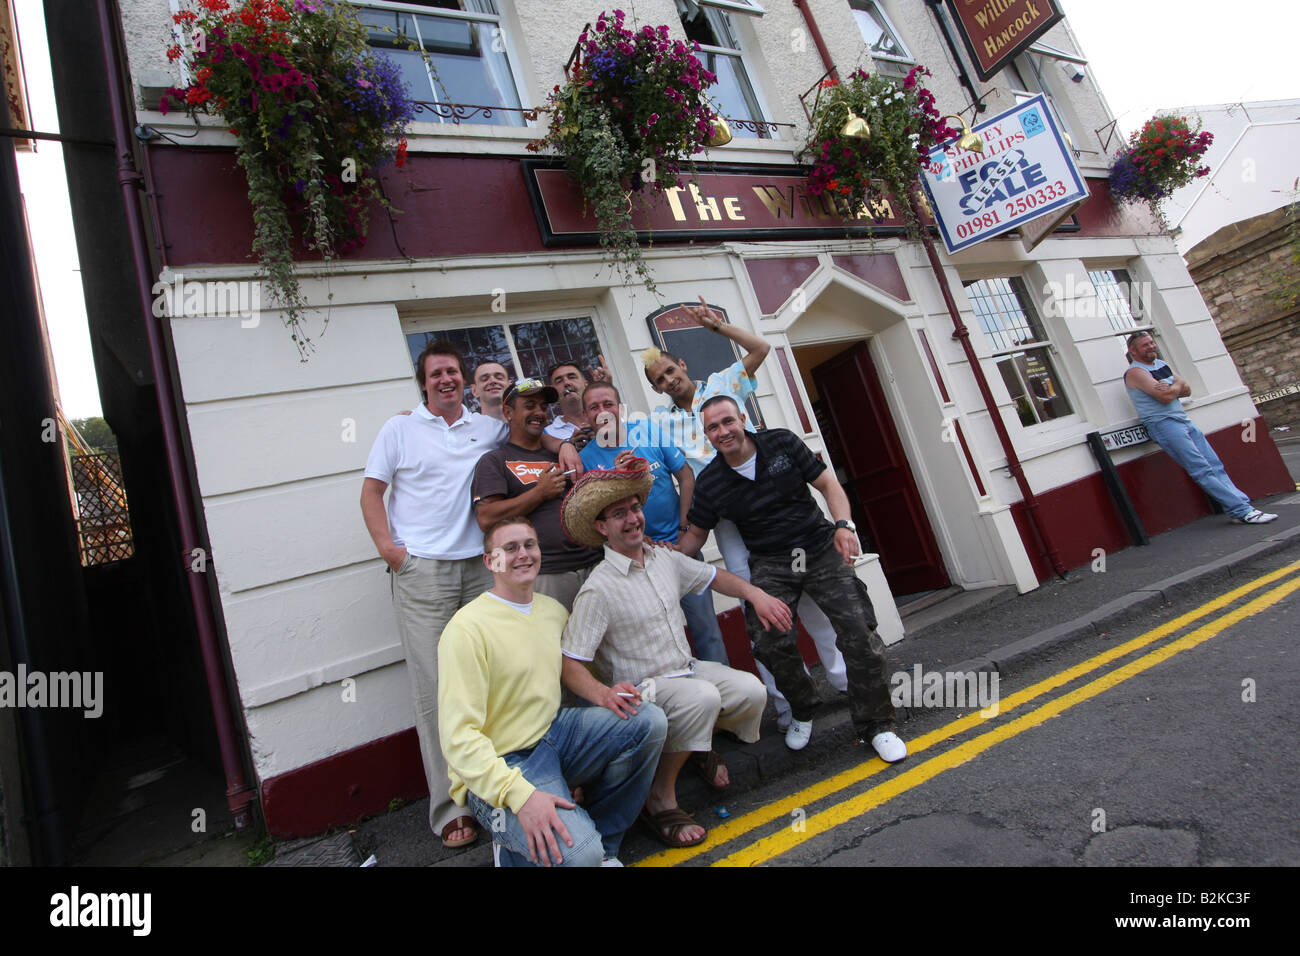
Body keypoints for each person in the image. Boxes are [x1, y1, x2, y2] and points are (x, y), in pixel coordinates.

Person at [361, 342, 583, 850]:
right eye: (436, 373)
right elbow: (372, 491)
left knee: (504, 672)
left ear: (463, 380)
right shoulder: (399, 429)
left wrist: (562, 446)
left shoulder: (485, 425)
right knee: (437, 687)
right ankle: (452, 806)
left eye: (453, 373)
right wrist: (391, 551)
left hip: (486, 566)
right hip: (424, 571)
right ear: (423, 382)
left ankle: (508, 787)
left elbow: (529, 429)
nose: (446, 380)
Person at [643, 295, 849, 735]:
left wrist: (716, 327)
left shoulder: (722, 384)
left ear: (681, 364)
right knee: (757, 605)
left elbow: (760, 349)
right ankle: (792, 706)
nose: (670, 380)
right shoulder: (659, 423)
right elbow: (664, 466)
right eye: (660, 379)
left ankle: (843, 678)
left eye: (671, 371)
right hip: (723, 517)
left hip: (769, 500)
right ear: (657, 387)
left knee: (810, 592)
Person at [559, 465, 790, 848]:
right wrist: (602, 695)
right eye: (619, 514)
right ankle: (659, 797)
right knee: (703, 698)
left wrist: (756, 595)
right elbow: (571, 662)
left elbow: (714, 578)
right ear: (602, 527)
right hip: (644, 691)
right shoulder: (597, 589)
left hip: (687, 672)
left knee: (751, 692)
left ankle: (695, 746)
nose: (633, 519)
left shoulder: (663, 558)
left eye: (635, 508)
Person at [679, 396, 907, 764]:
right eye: (713, 427)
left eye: (727, 422)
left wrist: (844, 525)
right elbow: (694, 538)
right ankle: (803, 707)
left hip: (818, 549)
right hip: (771, 563)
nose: (723, 432)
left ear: (743, 419)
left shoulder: (782, 442)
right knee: (769, 642)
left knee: (859, 633)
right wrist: (661, 555)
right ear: (706, 435)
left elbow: (828, 484)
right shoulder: (711, 483)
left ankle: (878, 725)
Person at [438, 516, 667, 867]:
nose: (523, 554)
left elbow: (568, 671)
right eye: (509, 548)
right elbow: (458, 739)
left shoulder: (551, 611)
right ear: (490, 561)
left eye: (529, 545)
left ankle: (601, 843)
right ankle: (519, 847)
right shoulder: (466, 629)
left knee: (647, 721)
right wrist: (521, 796)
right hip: (506, 762)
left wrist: (604, 694)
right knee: (578, 855)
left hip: (554, 734)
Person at [581, 381, 730, 665]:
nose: (602, 412)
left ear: (620, 407)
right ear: (586, 415)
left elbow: (687, 477)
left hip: (679, 547)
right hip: (636, 562)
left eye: (608, 404)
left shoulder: (648, 431)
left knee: (707, 631)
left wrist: (685, 529)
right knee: (658, 638)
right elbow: (597, 517)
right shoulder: (585, 459)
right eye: (594, 407)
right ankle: (689, 703)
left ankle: (729, 702)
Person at [473, 378, 601, 610]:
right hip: (547, 574)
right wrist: (538, 493)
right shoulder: (495, 461)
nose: (539, 412)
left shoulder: (563, 454)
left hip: (594, 564)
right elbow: (486, 518)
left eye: (543, 407)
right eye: (530, 405)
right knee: (556, 645)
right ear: (508, 412)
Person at [1124, 331, 1276, 525]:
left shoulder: (1161, 366)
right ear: (1133, 351)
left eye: (1152, 343)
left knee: (1215, 464)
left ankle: (1241, 505)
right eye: (1145, 345)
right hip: (1164, 425)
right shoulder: (1136, 372)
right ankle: (1242, 511)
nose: (1151, 347)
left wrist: (1173, 384)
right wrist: (1176, 384)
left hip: (1183, 420)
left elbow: (1187, 389)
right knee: (1202, 469)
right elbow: (1166, 397)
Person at [544, 357, 610, 448]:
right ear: (554, 392)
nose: (566, 383)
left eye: (572, 377)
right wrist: (568, 447)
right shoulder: (548, 434)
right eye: (559, 381)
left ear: (586, 384)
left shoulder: (611, 419)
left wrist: (606, 391)